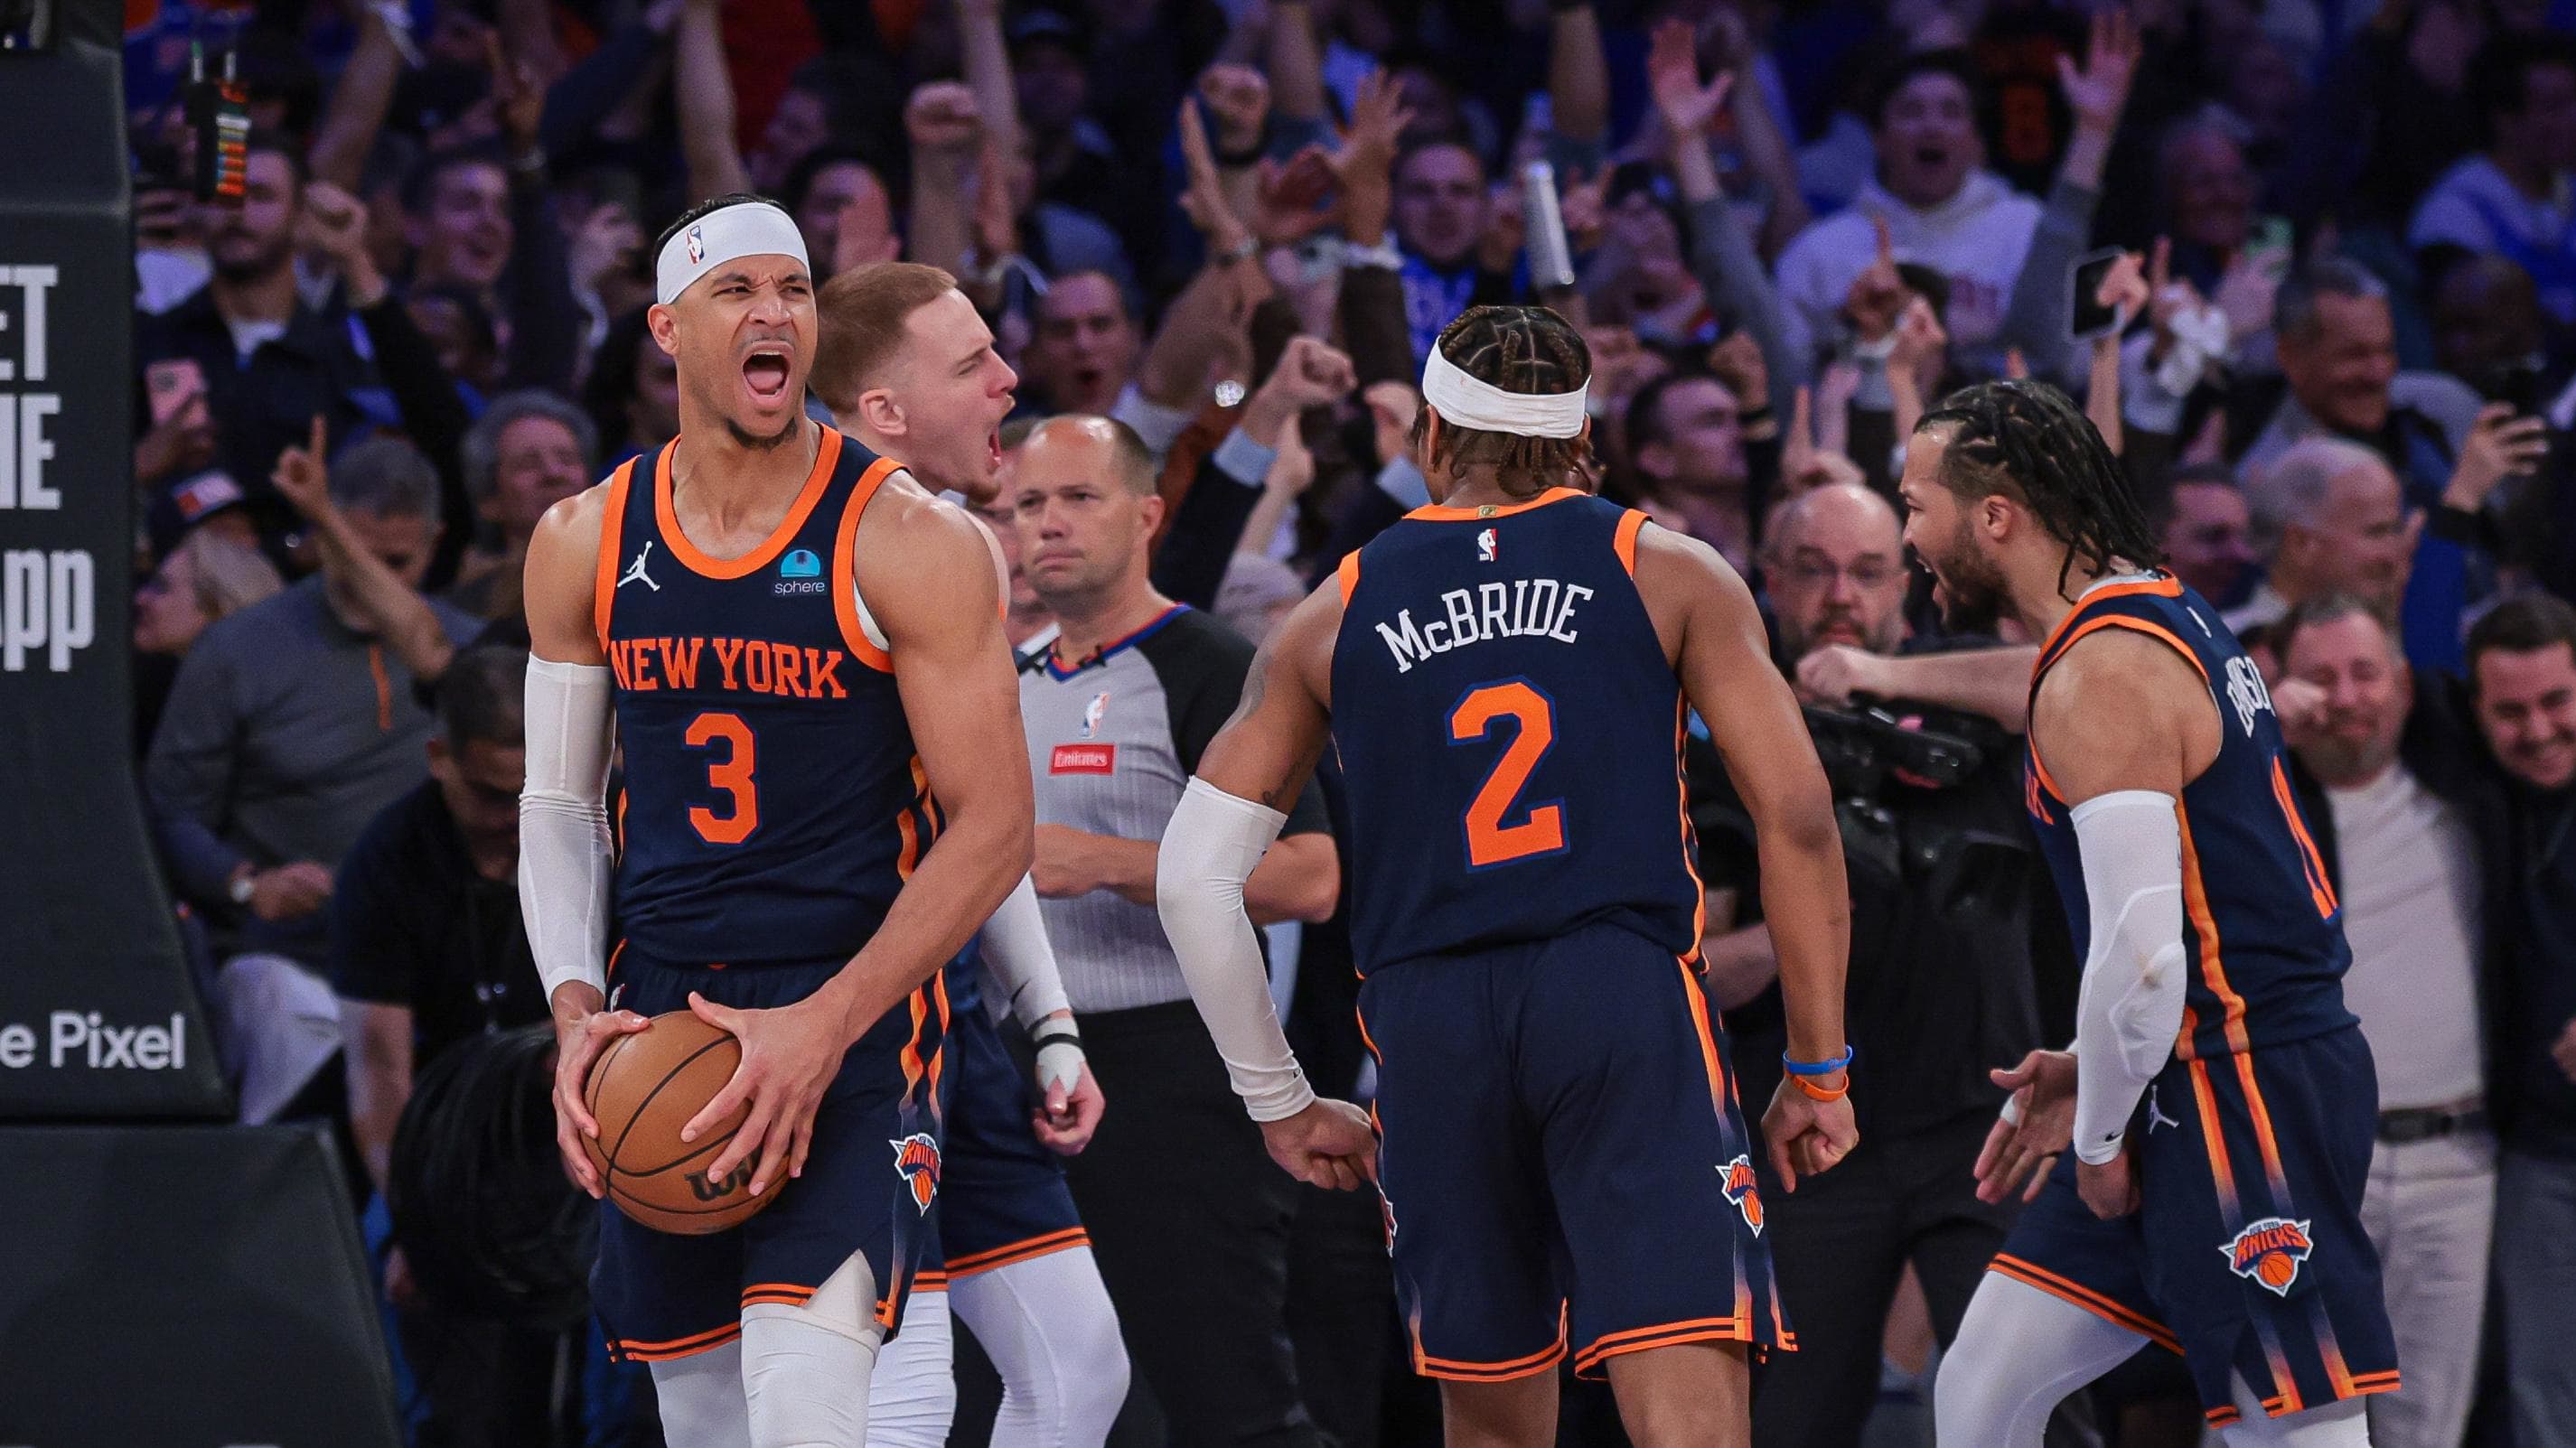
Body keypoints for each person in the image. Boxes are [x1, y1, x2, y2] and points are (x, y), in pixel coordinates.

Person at [1155, 304, 1856, 1445]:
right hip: (1617, 994)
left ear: (1431, 433)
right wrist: (1818, 1067)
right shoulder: (1664, 565)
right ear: (1585, 442)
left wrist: (1280, 1101)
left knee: (1488, 1420)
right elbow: (1800, 815)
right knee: (1685, 1407)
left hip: (1429, 1022)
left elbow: (1192, 878)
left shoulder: (1332, 607)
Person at [517, 194, 1030, 1448]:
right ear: (667, 329)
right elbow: (556, 800)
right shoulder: (583, 535)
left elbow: (995, 824)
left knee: (805, 1409)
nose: (775, 314)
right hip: (665, 1017)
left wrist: (825, 1024)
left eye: (793, 289)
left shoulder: (912, 538)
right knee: (701, 1421)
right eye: (737, 290)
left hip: (851, 1021)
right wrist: (577, 1010)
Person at [1912, 380, 2397, 1445]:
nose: (1911, 534)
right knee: (1981, 1384)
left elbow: (2143, 959)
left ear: (1993, 516)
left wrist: (2094, 1140)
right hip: (2182, 1067)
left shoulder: (2103, 671)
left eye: (1915, 506)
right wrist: (2100, 1062)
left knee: (2296, 1427)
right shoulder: (2156, 607)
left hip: (2241, 1081)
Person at [808, 259, 1129, 1446]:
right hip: (828, 1019)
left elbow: (977, 826)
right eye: (972, 364)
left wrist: (1044, 1021)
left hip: (949, 1014)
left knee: (1078, 1365)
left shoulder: (948, 544)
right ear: (883, 410)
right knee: (882, 1399)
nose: (1010, 379)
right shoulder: (847, 546)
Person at [1699, 482, 2057, 1448]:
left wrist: (1879, 680)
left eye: (1865, 570)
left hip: (1983, 1117)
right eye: (1812, 570)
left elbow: (2065, 678)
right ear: (1769, 583)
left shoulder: (1957, 682)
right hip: (1814, 1138)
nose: (1839, 595)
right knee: (1791, 1421)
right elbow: (1694, 961)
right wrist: (1804, 924)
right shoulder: (1733, 732)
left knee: (2032, 1407)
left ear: (1907, 582)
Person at [1008, 411, 1343, 1445]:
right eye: (1026, 504)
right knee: (1039, 1390)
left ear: (1148, 515)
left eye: (1077, 497)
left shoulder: (1207, 662)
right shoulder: (998, 674)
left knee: (1221, 1396)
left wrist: (1101, 862)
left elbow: (1313, 876)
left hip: (1173, 1069)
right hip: (1017, 1062)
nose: (1047, 524)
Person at [146, 434, 482, 1122]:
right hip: (286, 960)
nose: (368, 582)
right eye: (349, 553)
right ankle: (289, 1218)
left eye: (393, 562)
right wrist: (245, 881)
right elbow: (169, 811)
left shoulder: (469, 657)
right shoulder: (238, 651)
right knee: (290, 1016)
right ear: (322, 539)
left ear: (436, 541)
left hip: (441, 962)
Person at [2272, 597, 2506, 1448]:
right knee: (2287, 1429)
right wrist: (2253, 725)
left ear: (2404, 688)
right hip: (2309, 1172)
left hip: (2458, 1167)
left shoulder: (2478, 809)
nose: (2344, 697)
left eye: (2364, 673)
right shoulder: (2253, 824)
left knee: (2427, 1432)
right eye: (2319, 676)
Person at [331, 643, 563, 1444]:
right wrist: (418, 1228)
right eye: (494, 795)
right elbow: (378, 1069)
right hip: (445, 1158)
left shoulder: (595, 831)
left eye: (530, 793)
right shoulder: (389, 861)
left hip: (585, 1139)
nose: (513, 818)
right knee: (458, 1414)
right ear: (439, 759)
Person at [2461, 595, 2576, 1448]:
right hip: (2538, 1152)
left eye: (2556, 701)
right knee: (2540, 1406)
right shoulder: (2468, 790)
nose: (2537, 729)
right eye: (2510, 710)